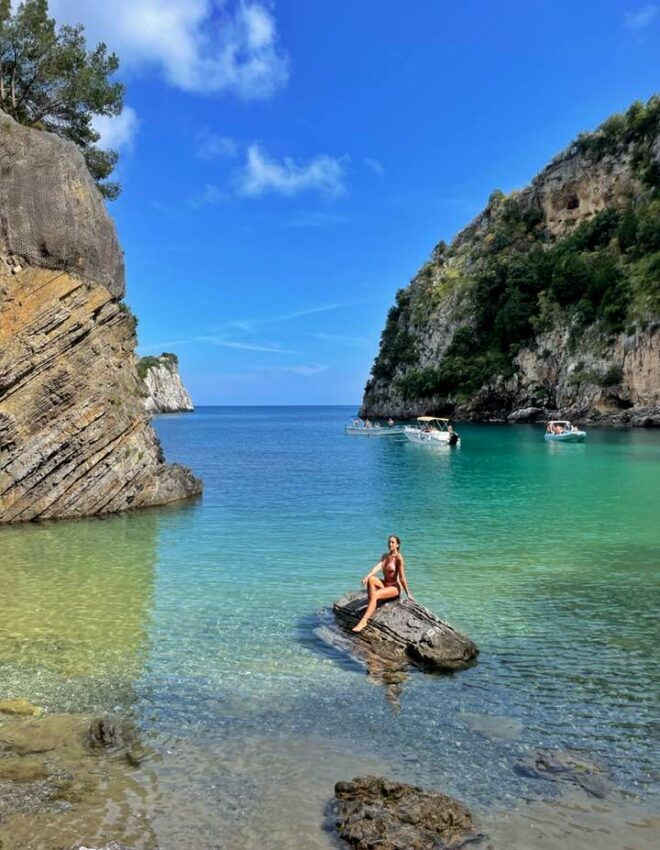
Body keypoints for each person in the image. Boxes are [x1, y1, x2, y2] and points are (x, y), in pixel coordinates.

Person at [352, 535, 413, 633]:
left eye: (393, 542)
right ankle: (373, 603)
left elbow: (402, 577)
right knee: (371, 579)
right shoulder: (385, 556)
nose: (390, 544)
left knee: (375, 595)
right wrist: (367, 577)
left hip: (394, 588)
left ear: (397, 545)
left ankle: (364, 621)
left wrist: (408, 594)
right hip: (385, 584)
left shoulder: (398, 558)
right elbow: (377, 567)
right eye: (389, 542)